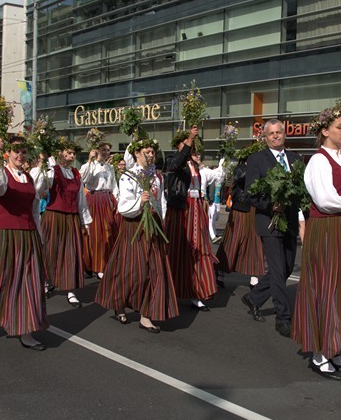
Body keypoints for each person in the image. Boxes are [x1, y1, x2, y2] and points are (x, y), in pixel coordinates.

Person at [292, 104, 341, 380]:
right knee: (329, 287)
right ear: (325, 131)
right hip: (327, 229)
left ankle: (335, 346)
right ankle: (321, 354)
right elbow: (325, 200)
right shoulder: (318, 160)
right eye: (339, 126)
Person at [0, 135, 49, 351]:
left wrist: (39, 236)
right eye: (16, 151)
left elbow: (34, 209)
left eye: (23, 152)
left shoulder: (29, 178)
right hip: (6, 234)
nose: (20, 155)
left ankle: (26, 330)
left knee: (28, 281)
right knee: (1, 278)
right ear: (8, 153)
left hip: (28, 234)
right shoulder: (1, 173)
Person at [95, 137, 179, 333]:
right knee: (132, 270)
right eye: (147, 152)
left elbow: (161, 201)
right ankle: (119, 302)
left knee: (155, 270)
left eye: (152, 152)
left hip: (153, 226)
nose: (151, 156)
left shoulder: (156, 176)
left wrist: (161, 219)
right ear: (136, 154)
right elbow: (123, 207)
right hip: (134, 226)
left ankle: (146, 314)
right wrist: (140, 202)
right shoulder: (128, 176)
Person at [243, 119, 302, 337]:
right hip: (269, 222)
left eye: (279, 133)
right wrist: (271, 205)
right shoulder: (257, 159)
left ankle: (254, 297)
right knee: (278, 271)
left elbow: (301, 189)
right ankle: (283, 318)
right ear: (265, 137)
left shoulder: (296, 159)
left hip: (290, 222)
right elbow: (250, 193)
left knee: (285, 269)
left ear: (284, 135)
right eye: (271, 134)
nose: (275, 136)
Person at [163, 125, 218, 311]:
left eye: (191, 145)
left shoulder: (193, 164)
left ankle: (197, 291)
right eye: (186, 144)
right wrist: (190, 139)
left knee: (199, 249)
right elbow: (175, 165)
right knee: (178, 248)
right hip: (180, 208)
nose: (190, 147)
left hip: (196, 207)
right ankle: (169, 288)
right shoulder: (172, 160)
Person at [40, 141, 92, 308]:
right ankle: (46, 282)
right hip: (54, 216)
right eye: (68, 153)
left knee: (71, 253)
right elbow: (41, 186)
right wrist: (42, 165)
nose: (71, 156)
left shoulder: (76, 174)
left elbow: (81, 200)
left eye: (73, 154)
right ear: (60, 154)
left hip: (71, 218)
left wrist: (85, 222)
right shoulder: (51, 171)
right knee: (50, 250)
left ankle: (71, 290)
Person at [216, 152, 264, 290]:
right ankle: (219, 271)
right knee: (233, 240)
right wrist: (254, 169)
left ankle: (254, 277)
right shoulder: (240, 168)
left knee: (255, 242)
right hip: (240, 209)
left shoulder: (258, 167)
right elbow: (242, 178)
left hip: (255, 208)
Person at [79, 142, 118, 279]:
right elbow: (84, 179)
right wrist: (90, 160)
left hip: (107, 198)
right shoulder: (89, 166)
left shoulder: (109, 167)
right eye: (103, 150)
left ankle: (104, 263)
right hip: (94, 199)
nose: (106, 152)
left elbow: (113, 185)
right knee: (93, 232)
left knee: (108, 232)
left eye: (107, 150)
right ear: (96, 151)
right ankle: (90, 264)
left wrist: (116, 200)